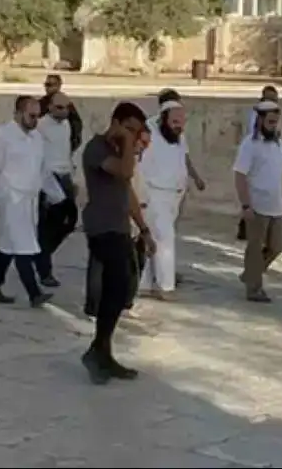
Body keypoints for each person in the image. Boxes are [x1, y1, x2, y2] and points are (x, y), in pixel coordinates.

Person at [81, 101, 151, 384]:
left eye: (137, 132)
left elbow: (127, 191)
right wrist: (124, 143)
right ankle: (98, 351)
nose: (133, 137)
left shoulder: (121, 152)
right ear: (116, 122)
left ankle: (102, 351)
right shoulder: (97, 148)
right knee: (116, 284)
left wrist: (143, 227)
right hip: (101, 227)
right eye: (129, 129)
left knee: (121, 288)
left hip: (120, 227)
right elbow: (124, 173)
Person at [0, 96, 53, 308]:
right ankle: (34, 293)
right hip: (11, 198)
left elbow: (42, 169)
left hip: (30, 199)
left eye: (38, 116)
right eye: (31, 115)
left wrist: (56, 193)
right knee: (23, 246)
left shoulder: (37, 138)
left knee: (8, 246)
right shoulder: (4, 136)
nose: (35, 120)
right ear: (18, 113)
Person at [138, 98, 201, 299]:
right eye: (174, 121)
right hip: (154, 194)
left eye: (181, 121)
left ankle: (144, 283)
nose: (178, 125)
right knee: (165, 239)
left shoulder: (178, 137)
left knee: (154, 240)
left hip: (174, 196)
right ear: (163, 119)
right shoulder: (149, 134)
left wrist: (194, 179)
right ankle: (166, 287)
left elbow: (183, 159)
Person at [234, 100, 282, 302]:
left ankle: (250, 274)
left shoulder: (278, 142)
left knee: (278, 245)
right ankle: (254, 288)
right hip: (257, 205)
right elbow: (240, 175)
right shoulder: (249, 144)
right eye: (269, 120)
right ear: (260, 120)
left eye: (276, 120)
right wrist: (245, 205)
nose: (273, 124)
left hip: (277, 205)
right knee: (255, 248)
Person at [35, 91, 82, 287]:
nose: (64, 112)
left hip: (64, 176)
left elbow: (65, 153)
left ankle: (40, 254)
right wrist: (47, 188)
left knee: (70, 221)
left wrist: (72, 178)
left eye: (67, 108)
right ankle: (44, 269)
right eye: (60, 108)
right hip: (48, 178)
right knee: (46, 226)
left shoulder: (66, 125)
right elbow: (40, 158)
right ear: (50, 107)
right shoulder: (41, 126)